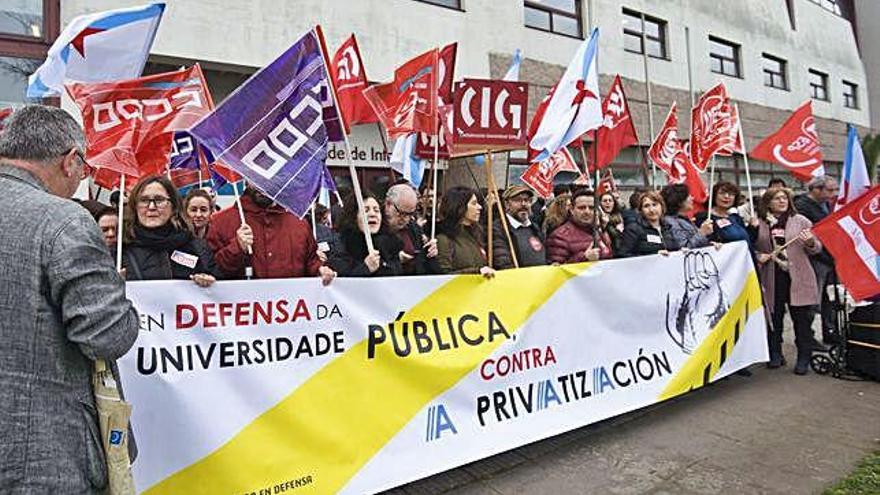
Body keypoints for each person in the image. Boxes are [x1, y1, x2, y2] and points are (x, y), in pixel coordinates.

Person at [0, 105, 139, 492]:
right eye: (83, 170)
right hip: (41, 455)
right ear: (69, 161)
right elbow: (107, 335)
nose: (81, 180)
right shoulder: (63, 219)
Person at [754, 187, 823, 374]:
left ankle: (803, 358)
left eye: (784, 198)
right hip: (772, 277)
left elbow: (816, 248)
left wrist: (810, 242)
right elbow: (751, 246)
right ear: (767, 202)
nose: (782, 201)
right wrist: (759, 255)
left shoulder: (800, 221)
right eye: (777, 199)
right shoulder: (759, 223)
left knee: (801, 320)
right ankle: (775, 353)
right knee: (774, 318)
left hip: (798, 277)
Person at [206, 184, 335, 283]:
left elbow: (310, 262)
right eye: (256, 177)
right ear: (246, 178)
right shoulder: (220, 221)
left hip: (291, 312)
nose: (263, 185)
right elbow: (212, 271)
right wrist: (237, 248)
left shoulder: (298, 223)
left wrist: (320, 270)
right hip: (241, 314)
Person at [122, 175, 220, 286]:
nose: (152, 207)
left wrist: (209, 281)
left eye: (159, 200)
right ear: (135, 206)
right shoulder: (120, 249)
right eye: (144, 200)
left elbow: (219, 289)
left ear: (173, 206)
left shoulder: (197, 247)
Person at [794, 175, 840, 344]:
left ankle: (830, 331)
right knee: (813, 300)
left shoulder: (827, 205)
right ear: (815, 189)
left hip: (830, 258)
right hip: (815, 259)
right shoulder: (802, 207)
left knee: (830, 299)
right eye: (830, 190)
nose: (834, 194)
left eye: (835, 189)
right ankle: (808, 337)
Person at [327, 192, 403, 277]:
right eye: (365, 210)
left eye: (376, 210)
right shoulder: (341, 244)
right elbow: (342, 284)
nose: (372, 214)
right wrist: (365, 268)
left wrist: (383, 265)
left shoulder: (391, 243)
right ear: (353, 216)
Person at [435, 186, 494, 277]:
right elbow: (443, 276)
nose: (480, 207)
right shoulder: (444, 240)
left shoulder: (476, 235)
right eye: (474, 203)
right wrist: (477, 272)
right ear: (460, 207)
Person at [384, 182, 441, 275]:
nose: (405, 219)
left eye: (410, 214)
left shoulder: (414, 228)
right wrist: (397, 260)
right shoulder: (374, 228)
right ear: (388, 204)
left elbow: (426, 267)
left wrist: (430, 254)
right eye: (401, 213)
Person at [546, 188, 613, 264]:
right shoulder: (559, 236)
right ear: (571, 209)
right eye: (582, 208)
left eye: (591, 208)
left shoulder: (597, 231)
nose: (587, 212)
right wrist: (584, 257)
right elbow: (556, 271)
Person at [493, 185, 547, 268]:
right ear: (507, 204)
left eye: (527, 200)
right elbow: (502, 262)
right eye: (518, 200)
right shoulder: (499, 228)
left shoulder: (534, 227)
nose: (523, 204)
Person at [619, 191, 679, 257]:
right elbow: (623, 254)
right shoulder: (633, 229)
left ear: (662, 206)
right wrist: (653, 255)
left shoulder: (667, 228)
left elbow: (674, 249)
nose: (651, 210)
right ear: (640, 210)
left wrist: (681, 252)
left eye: (654, 204)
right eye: (646, 206)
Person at [696, 181, 754, 250]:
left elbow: (748, 240)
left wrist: (753, 228)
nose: (726, 196)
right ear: (714, 196)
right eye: (722, 193)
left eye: (731, 194)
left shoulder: (736, 218)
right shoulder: (704, 218)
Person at [661, 183, 713, 249]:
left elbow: (696, 243)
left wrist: (711, 245)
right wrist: (702, 233)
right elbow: (684, 248)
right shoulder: (670, 221)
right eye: (688, 196)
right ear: (680, 202)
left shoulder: (684, 220)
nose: (692, 198)